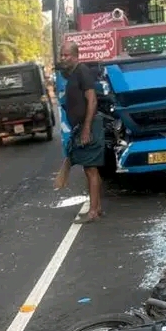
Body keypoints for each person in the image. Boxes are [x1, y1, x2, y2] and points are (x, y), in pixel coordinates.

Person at [58, 40, 104, 223]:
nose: (63, 58)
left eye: (66, 55)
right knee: (91, 170)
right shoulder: (72, 74)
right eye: (61, 55)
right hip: (81, 127)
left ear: (76, 55)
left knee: (91, 170)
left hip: (89, 127)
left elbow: (92, 101)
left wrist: (86, 129)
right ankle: (97, 208)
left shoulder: (82, 71)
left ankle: (92, 212)